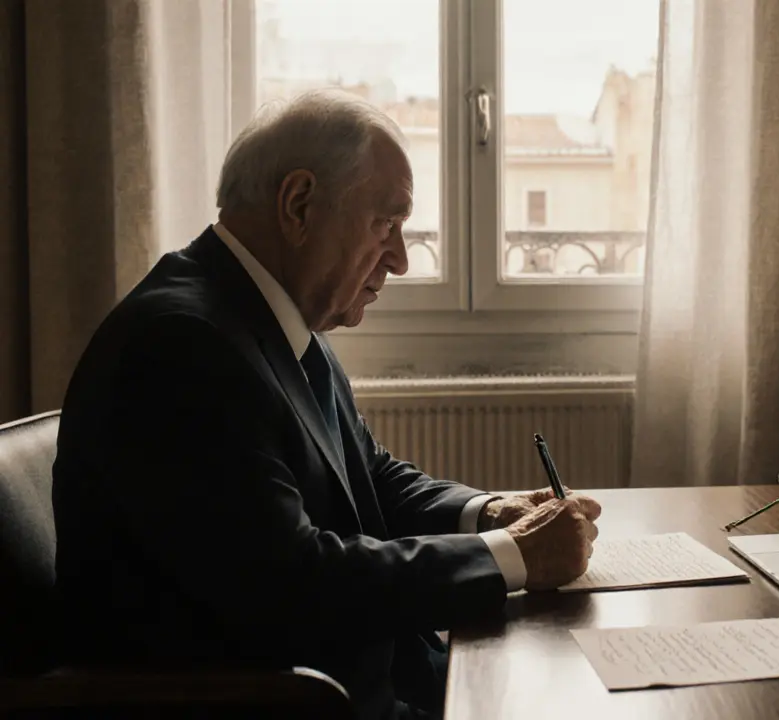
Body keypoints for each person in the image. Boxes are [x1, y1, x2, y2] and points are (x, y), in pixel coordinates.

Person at [51, 89, 601, 720]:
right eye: (386, 224)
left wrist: (489, 513)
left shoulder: (261, 316)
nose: (398, 259)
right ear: (299, 205)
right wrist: (513, 556)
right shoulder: (180, 346)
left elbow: (370, 477)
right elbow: (293, 583)